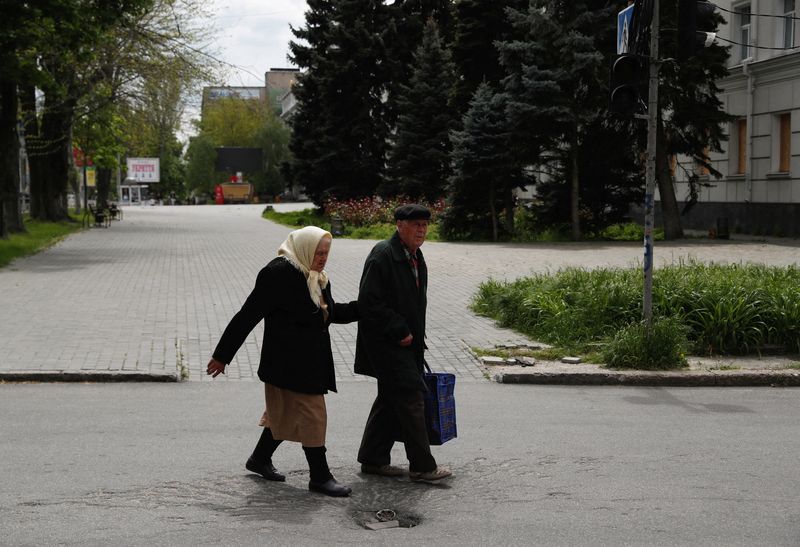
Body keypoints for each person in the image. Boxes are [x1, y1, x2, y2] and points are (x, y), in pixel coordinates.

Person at [207, 226, 358, 497]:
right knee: (313, 415)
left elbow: (330, 314)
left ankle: (259, 458)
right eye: (318, 252)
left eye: (326, 253)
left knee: (284, 414)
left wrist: (366, 308)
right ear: (304, 249)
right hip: (287, 363)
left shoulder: (318, 278)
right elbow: (248, 314)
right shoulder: (278, 274)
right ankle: (320, 477)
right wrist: (222, 355)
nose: (323, 258)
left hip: (310, 363)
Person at [354, 204, 452, 482]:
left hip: (407, 345)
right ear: (399, 225)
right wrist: (398, 329)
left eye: (424, 225)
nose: (421, 230)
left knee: (389, 399)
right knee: (412, 399)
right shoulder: (383, 255)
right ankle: (422, 466)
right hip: (387, 344)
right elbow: (369, 302)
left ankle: (373, 459)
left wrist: (416, 339)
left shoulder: (415, 256)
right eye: (415, 225)